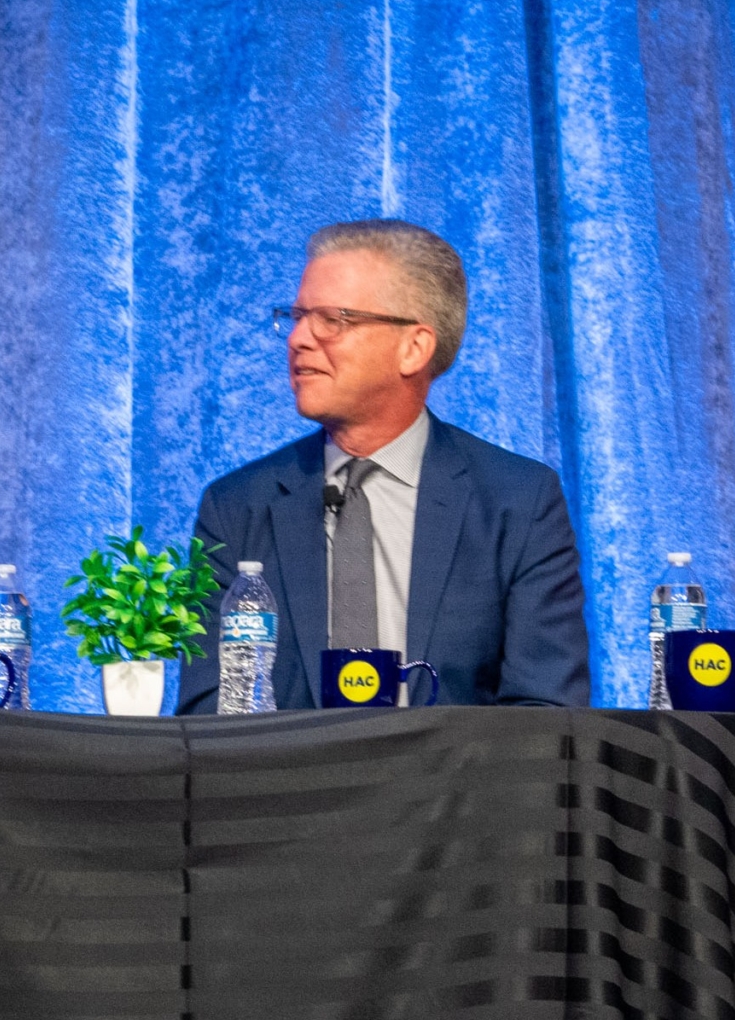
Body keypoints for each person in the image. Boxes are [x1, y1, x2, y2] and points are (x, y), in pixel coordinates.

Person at [176, 220, 590, 712]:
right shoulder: (237, 507)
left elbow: (544, 713)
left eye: (333, 319)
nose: (299, 339)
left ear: (413, 347)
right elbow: (207, 713)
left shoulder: (518, 502)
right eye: (297, 315)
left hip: (453, 789)